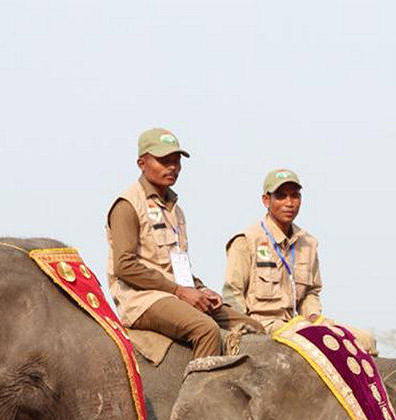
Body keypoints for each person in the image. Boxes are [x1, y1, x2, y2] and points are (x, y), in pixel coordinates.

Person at [106, 128, 255, 359]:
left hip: (179, 294)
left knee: (253, 328)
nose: (172, 167)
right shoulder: (127, 205)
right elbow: (124, 266)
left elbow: (178, 265)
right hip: (144, 300)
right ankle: (199, 396)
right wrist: (178, 291)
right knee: (206, 330)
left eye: (176, 161)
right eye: (164, 160)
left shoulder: (175, 210)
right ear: (142, 163)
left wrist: (201, 289)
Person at [222, 169, 377, 353]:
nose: (289, 203)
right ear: (266, 200)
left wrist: (312, 315)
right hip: (264, 325)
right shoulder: (247, 241)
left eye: (294, 196)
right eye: (281, 196)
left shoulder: (308, 244)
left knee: (365, 340)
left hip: (300, 323)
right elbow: (233, 293)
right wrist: (249, 331)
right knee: (314, 342)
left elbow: (311, 291)